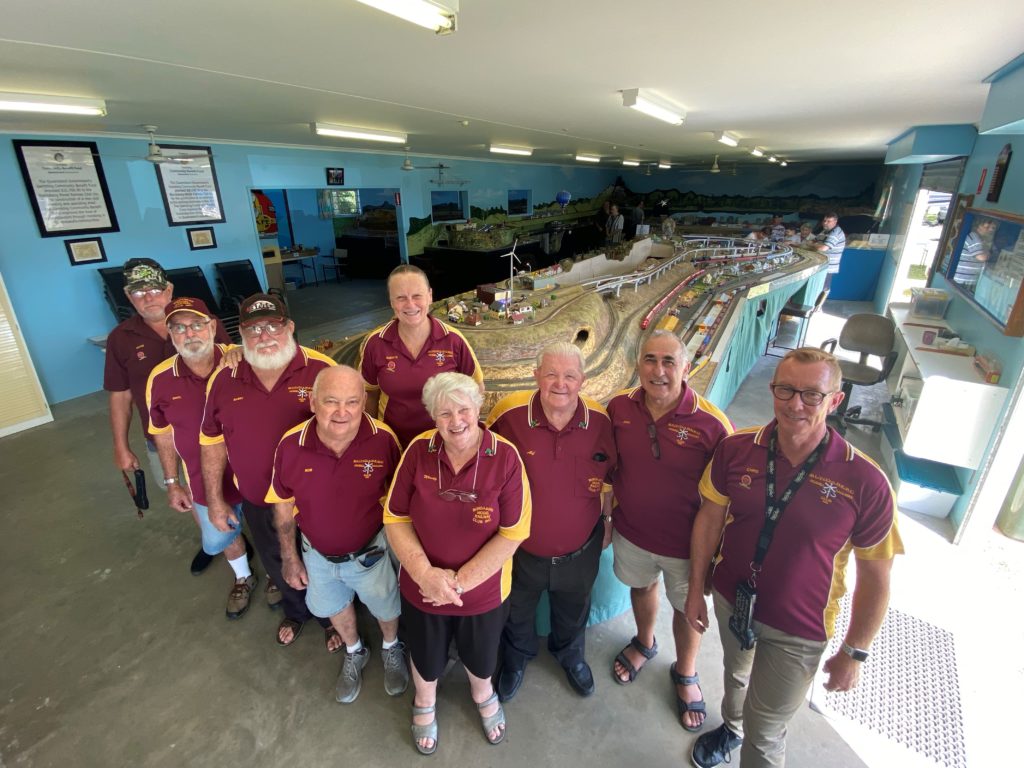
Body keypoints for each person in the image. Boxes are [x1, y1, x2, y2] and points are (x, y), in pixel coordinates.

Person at [685, 347, 903, 768]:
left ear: (835, 400)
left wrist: (854, 651)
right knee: (735, 676)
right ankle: (730, 728)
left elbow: (876, 577)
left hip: (800, 627)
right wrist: (697, 590)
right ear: (772, 388)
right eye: (785, 389)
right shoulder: (736, 449)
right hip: (734, 599)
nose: (795, 404)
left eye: (811, 394)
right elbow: (709, 521)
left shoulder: (866, 481)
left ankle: (747, 735)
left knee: (765, 731)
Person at [383, 372, 531, 755]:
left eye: (464, 409)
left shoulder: (507, 457)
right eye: (444, 412)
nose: (456, 421)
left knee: (481, 654)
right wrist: (424, 574)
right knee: (425, 651)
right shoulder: (418, 451)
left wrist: (458, 583)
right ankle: (424, 700)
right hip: (422, 586)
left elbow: (514, 532)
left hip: (483, 591)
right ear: (432, 416)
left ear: (478, 407)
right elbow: (395, 517)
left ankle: (483, 694)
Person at [607, 331, 733, 731]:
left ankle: (686, 670)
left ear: (686, 367)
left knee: (687, 607)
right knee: (642, 588)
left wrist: (716, 551)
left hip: (687, 545)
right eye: (649, 360)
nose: (657, 371)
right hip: (634, 533)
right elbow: (609, 468)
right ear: (637, 363)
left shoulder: (712, 425)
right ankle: (645, 641)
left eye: (668, 362)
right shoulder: (618, 409)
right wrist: (609, 517)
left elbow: (725, 497)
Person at [200, 293, 338, 647]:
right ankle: (297, 610)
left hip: (316, 499)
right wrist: (215, 500)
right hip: (259, 494)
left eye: (273, 325)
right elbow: (212, 441)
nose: (264, 336)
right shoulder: (224, 378)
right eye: (254, 328)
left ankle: (333, 617)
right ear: (241, 334)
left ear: (289, 327)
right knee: (277, 559)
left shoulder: (321, 369)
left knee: (323, 562)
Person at [267, 366, 409, 703]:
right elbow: (283, 506)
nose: (342, 413)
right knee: (333, 606)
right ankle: (354, 650)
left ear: (363, 403)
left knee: (386, 606)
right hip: (316, 555)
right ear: (313, 403)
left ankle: (391, 646)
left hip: (370, 553)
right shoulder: (291, 446)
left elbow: (399, 506)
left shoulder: (383, 440)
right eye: (331, 402)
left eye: (352, 402)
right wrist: (289, 558)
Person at [486, 342, 615, 701]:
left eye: (570, 376)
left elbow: (609, 476)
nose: (560, 384)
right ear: (535, 376)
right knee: (517, 611)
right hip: (521, 552)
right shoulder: (507, 416)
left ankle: (570, 656)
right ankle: (517, 658)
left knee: (575, 611)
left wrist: (606, 518)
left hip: (580, 552)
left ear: (582, 381)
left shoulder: (600, 421)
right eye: (551, 374)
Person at [104, 258, 230, 575]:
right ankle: (218, 541)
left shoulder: (204, 321)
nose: (149, 297)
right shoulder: (121, 338)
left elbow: (233, 360)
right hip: (164, 438)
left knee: (229, 486)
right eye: (138, 291)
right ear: (127, 296)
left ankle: (234, 534)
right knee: (186, 493)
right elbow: (120, 395)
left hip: (220, 433)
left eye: (156, 289)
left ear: (169, 289)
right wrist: (121, 445)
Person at [147, 298, 252, 618]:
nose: (189, 333)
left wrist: (245, 350)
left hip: (257, 472)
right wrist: (171, 482)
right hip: (203, 477)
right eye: (179, 328)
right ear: (170, 334)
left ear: (212, 326)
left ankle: (278, 575)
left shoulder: (244, 359)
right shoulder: (161, 378)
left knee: (273, 529)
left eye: (196, 324)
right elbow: (162, 433)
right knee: (222, 536)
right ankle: (244, 576)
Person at [359, 264, 482, 447]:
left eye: (417, 296)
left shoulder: (454, 340)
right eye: (401, 298)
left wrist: (464, 435)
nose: (410, 305)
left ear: (430, 295)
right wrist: (372, 438)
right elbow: (369, 394)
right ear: (392, 302)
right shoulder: (375, 344)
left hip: (445, 444)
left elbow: (477, 388)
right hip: (395, 444)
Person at [952, 217, 996, 290]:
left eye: (993, 228)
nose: (990, 230)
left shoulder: (978, 238)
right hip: (965, 280)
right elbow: (981, 257)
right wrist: (989, 253)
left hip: (966, 278)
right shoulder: (974, 237)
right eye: (987, 227)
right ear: (978, 227)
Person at [814, 212, 846, 290]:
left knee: (822, 289)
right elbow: (812, 241)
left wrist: (814, 245)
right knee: (816, 288)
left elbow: (822, 248)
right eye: (824, 220)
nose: (825, 223)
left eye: (829, 221)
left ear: (835, 222)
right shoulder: (825, 231)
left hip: (828, 266)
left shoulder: (835, 233)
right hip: (821, 264)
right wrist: (815, 244)